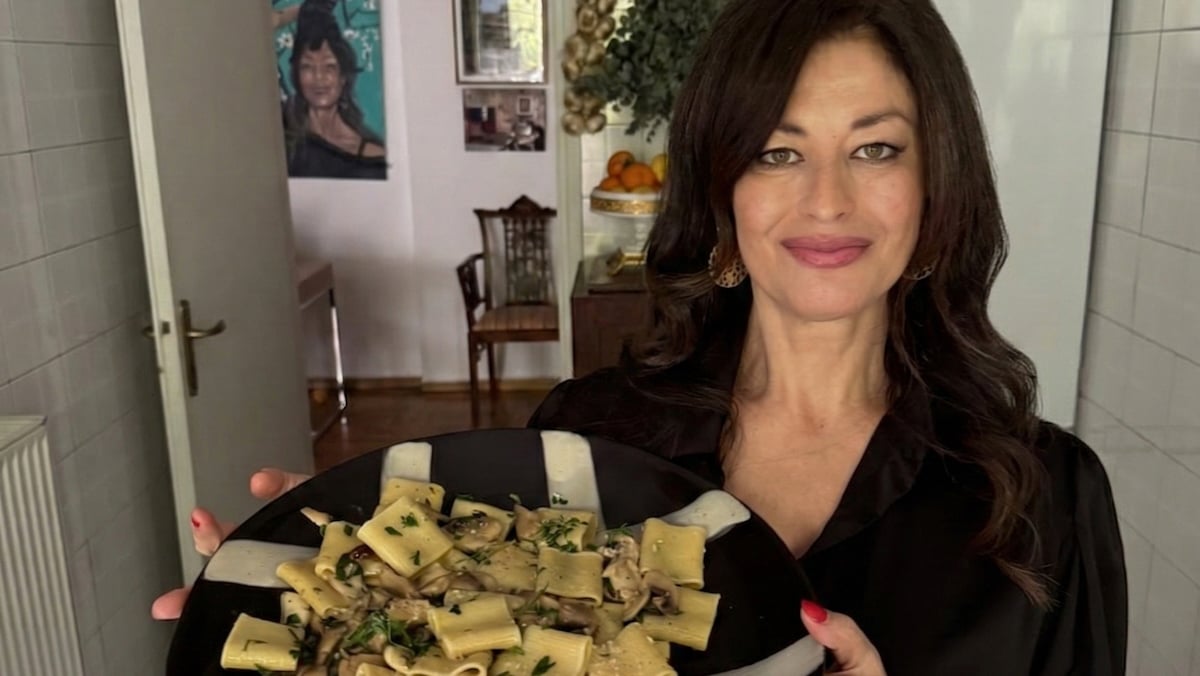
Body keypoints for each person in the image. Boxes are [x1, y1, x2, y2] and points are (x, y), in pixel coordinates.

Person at [153, 0, 1127, 673]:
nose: (827, 199)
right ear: (721, 191)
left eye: (875, 148)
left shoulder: (1045, 501)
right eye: (776, 152)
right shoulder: (588, 437)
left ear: (937, 183)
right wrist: (356, 593)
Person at [280, 0, 387, 179]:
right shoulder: (284, 139)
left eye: (329, 67)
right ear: (296, 74)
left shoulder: (371, 158)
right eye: (307, 67)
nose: (318, 77)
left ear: (343, 77)